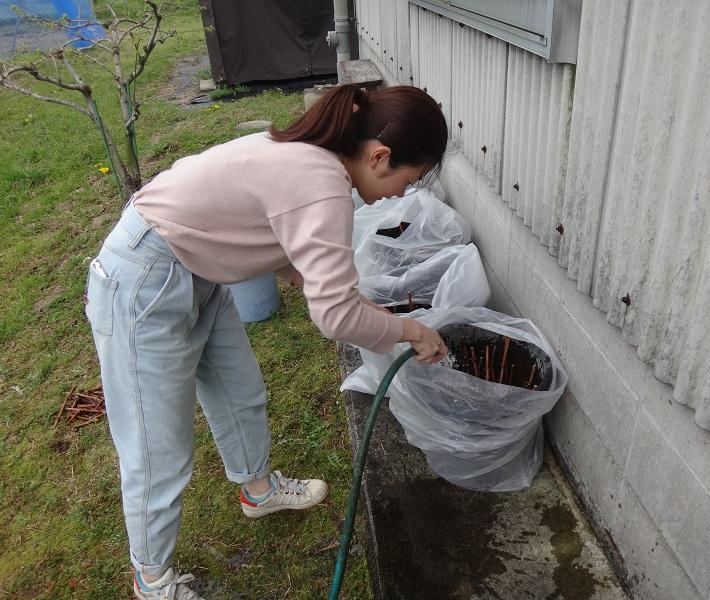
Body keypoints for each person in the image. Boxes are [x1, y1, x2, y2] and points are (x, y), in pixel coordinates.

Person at [84, 84, 449, 600]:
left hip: (197, 269)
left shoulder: (312, 159)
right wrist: (409, 329)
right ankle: (152, 581)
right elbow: (334, 316)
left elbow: (302, 266)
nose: (399, 195)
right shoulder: (321, 183)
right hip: (145, 277)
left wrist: (375, 312)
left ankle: (258, 491)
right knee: (155, 445)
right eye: (407, 181)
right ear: (380, 156)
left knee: (240, 392)